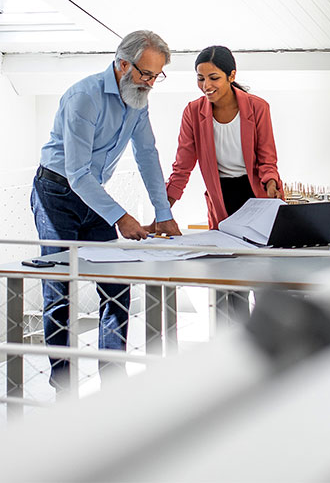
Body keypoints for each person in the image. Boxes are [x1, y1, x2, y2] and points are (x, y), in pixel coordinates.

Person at [31, 30, 181, 390]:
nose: (150, 83)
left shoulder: (138, 99)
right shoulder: (85, 98)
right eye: (145, 74)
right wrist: (120, 217)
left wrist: (163, 211)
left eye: (156, 75)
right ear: (123, 64)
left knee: (116, 286)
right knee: (60, 287)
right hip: (57, 192)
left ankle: (114, 381)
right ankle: (63, 384)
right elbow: (77, 173)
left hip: (93, 193)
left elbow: (147, 155)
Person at [151, 45, 283, 317]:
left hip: (257, 197)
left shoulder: (258, 108)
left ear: (231, 76)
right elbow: (182, 168)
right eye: (200, 78)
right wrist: (163, 212)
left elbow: (267, 159)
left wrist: (271, 184)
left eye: (214, 78)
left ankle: (266, 343)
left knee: (262, 276)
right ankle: (235, 348)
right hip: (222, 201)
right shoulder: (193, 112)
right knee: (230, 284)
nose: (206, 85)